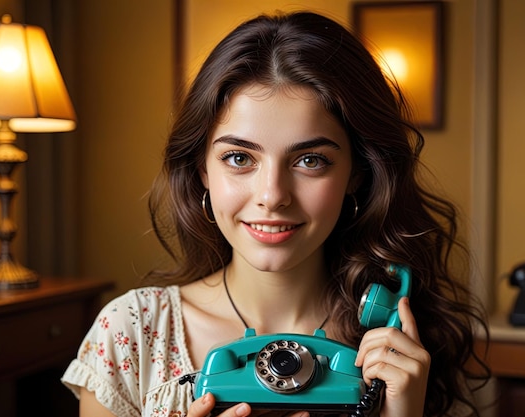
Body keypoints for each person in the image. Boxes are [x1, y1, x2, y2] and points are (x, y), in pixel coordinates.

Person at [62, 10, 490, 417]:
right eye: (238, 158)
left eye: (310, 161)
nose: (272, 196)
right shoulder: (129, 332)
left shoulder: (402, 346)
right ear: (202, 170)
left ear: (357, 174)